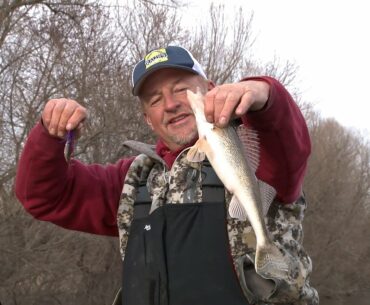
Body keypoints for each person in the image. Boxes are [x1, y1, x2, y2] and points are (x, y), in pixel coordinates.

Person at [15, 46, 319, 305]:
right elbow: (44, 196)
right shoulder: (132, 181)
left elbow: (290, 144)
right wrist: (49, 135)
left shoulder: (257, 148)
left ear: (210, 89)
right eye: (155, 100)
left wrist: (262, 93)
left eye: (180, 89)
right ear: (148, 119)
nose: (171, 104)